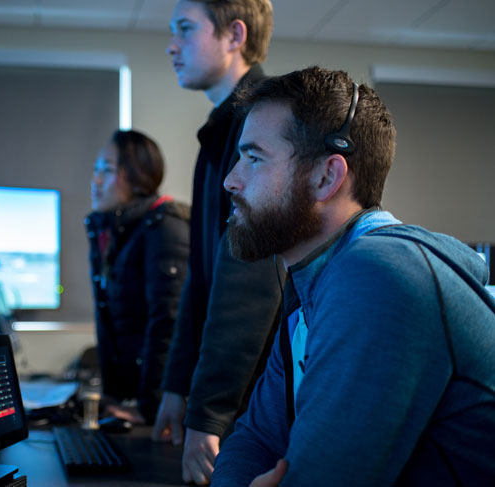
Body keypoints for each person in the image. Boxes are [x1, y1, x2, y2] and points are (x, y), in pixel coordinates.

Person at [212, 66, 495, 486]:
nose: (230, 180)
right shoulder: (310, 286)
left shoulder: (378, 275)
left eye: (254, 158)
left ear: (327, 176)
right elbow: (256, 439)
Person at [151, 1, 282, 484]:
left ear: (234, 35)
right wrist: (176, 386)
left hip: (258, 405)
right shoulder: (223, 130)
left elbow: (246, 283)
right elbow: (202, 278)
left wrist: (209, 414)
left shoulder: (264, 124)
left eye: (185, 29)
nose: (171, 45)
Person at [85, 129, 190, 425]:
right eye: (95, 170)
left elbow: (168, 322)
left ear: (137, 174)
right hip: (131, 401)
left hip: (158, 413)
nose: (96, 180)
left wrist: (149, 407)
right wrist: (114, 397)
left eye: (106, 170)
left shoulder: (164, 226)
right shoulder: (116, 231)